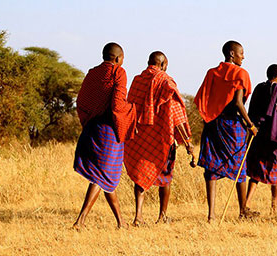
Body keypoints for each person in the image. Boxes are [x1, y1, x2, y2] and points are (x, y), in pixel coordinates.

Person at [124, 51, 193, 226]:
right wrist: (187, 142)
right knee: (165, 176)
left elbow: (130, 106)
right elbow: (176, 114)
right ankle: (162, 216)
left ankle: (138, 217)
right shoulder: (166, 82)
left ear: (149, 62)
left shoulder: (137, 80)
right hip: (163, 137)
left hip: (140, 137)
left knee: (141, 172)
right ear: (162, 64)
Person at [72, 42, 136, 229]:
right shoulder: (118, 73)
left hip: (92, 128)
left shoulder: (93, 73)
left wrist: (88, 120)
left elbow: (82, 100)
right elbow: (117, 105)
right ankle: (80, 220)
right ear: (117, 59)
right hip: (109, 130)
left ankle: (121, 222)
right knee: (102, 175)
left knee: (108, 176)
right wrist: (132, 110)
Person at [194, 40, 257, 222]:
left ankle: (211, 215)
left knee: (211, 168)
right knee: (239, 166)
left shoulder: (212, 73)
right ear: (231, 54)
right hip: (232, 124)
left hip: (213, 124)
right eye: (241, 53)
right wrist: (250, 125)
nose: (243, 56)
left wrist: (208, 116)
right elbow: (238, 102)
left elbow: (202, 99)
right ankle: (243, 210)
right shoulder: (241, 73)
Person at [245, 64, 277, 214]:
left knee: (255, 173)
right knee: (276, 174)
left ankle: (246, 204)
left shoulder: (259, 88)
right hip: (274, 137)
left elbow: (252, 109)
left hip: (258, 135)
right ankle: (274, 208)